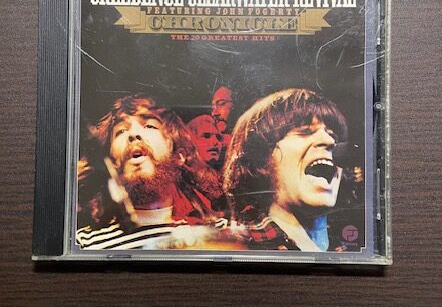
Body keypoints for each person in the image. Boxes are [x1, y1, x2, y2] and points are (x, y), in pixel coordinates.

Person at [76, 95, 225, 250]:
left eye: (149, 126)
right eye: (121, 131)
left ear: (178, 155)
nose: (133, 134)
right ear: (111, 161)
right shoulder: (85, 243)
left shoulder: (221, 234)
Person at [223, 88, 348, 251]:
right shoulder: (236, 246)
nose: (330, 140)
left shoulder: (346, 246)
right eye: (305, 132)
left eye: (334, 135)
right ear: (262, 157)